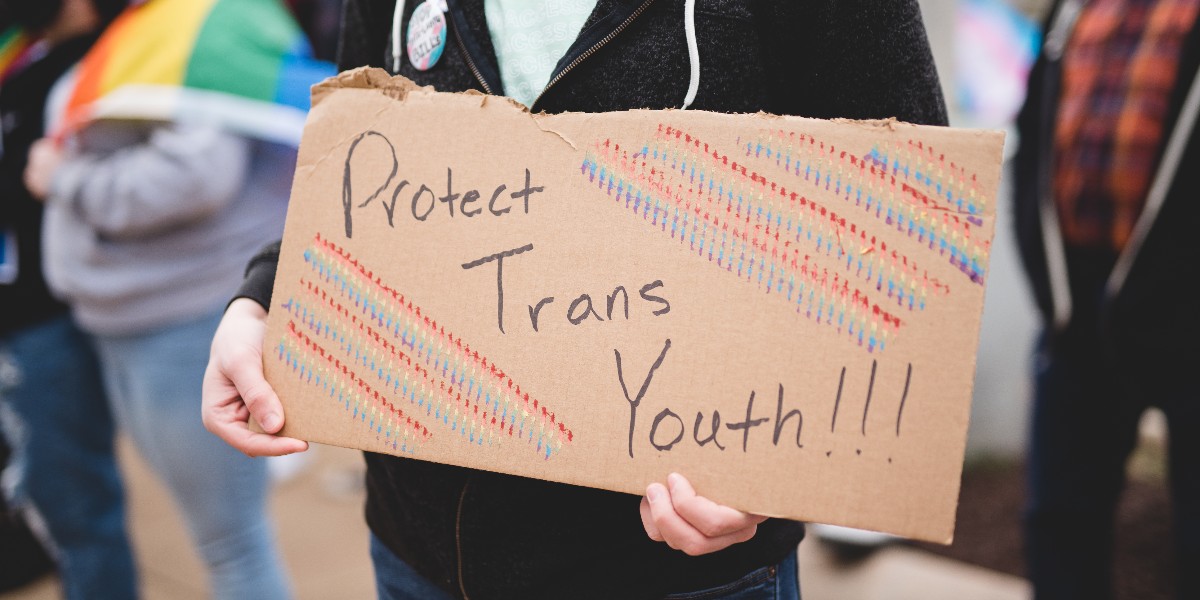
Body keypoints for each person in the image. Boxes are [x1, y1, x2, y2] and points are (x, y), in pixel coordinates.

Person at [203, 1, 948, 598]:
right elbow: (356, 163)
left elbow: (907, 232)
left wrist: (783, 469)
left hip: (667, 572)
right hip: (416, 550)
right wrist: (265, 298)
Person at [22, 0, 332, 597]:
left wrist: (64, 179)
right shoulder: (147, 31)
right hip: (128, 319)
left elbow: (195, 178)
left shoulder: (199, 32)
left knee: (230, 544)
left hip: (183, 318)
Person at [1014, 0, 1200, 599]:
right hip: (1076, 305)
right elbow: (1035, 135)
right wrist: (1050, 290)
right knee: (1060, 521)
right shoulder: (1074, 11)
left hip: (1186, 303)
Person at [0, 1, 137, 597]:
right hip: (27, 308)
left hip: (52, 313)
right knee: (59, 500)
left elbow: (189, 180)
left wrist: (61, 178)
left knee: (78, 508)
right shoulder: (27, 50)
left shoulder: (118, 58)